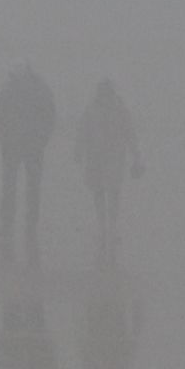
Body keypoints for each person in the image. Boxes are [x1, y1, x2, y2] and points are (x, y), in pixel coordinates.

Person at [0, 62, 57, 261]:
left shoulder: (10, 89)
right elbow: (50, 116)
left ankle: (11, 224)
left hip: (20, 144)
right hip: (29, 145)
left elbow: (0, 117)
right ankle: (27, 225)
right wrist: (42, 139)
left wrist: (5, 138)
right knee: (29, 187)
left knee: (12, 186)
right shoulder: (41, 89)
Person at [75, 78, 142, 262]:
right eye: (101, 92)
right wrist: (78, 150)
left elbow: (130, 132)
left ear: (111, 92)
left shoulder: (120, 109)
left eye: (106, 92)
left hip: (114, 156)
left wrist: (136, 154)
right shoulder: (91, 109)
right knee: (98, 190)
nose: (104, 95)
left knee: (113, 190)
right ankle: (101, 225)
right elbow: (82, 129)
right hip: (95, 156)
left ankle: (112, 226)